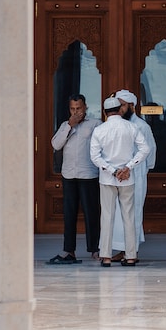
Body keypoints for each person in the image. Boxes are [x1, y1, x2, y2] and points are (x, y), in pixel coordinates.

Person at [90, 95, 149, 266]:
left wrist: (112, 170)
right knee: (129, 217)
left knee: (107, 216)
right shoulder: (130, 127)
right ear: (119, 110)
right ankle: (131, 255)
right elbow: (144, 149)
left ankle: (106, 256)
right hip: (127, 179)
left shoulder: (100, 130)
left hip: (108, 179)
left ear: (105, 112)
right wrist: (128, 167)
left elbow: (94, 157)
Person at [47, 94, 101, 264]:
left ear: (86, 107)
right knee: (69, 214)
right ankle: (69, 250)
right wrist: (70, 126)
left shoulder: (95, 125)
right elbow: (56, 145)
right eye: (73, 109)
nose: (76, 112)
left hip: (88, 175)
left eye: (79, 108)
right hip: (69, 175)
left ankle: (95, 249)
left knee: (91, 214)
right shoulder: (65, 125)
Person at [108, 90, 157, 260]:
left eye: (122, 105)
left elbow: (150, 154)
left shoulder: (142, 126)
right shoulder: (116, 125)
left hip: (137, 175)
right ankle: (123, 250)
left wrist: (138, 170)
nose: (119, 109)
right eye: (118, 105)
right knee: (120, 215)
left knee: (133, 213)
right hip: (117, 176)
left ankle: (131, 252)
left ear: (131, 106)